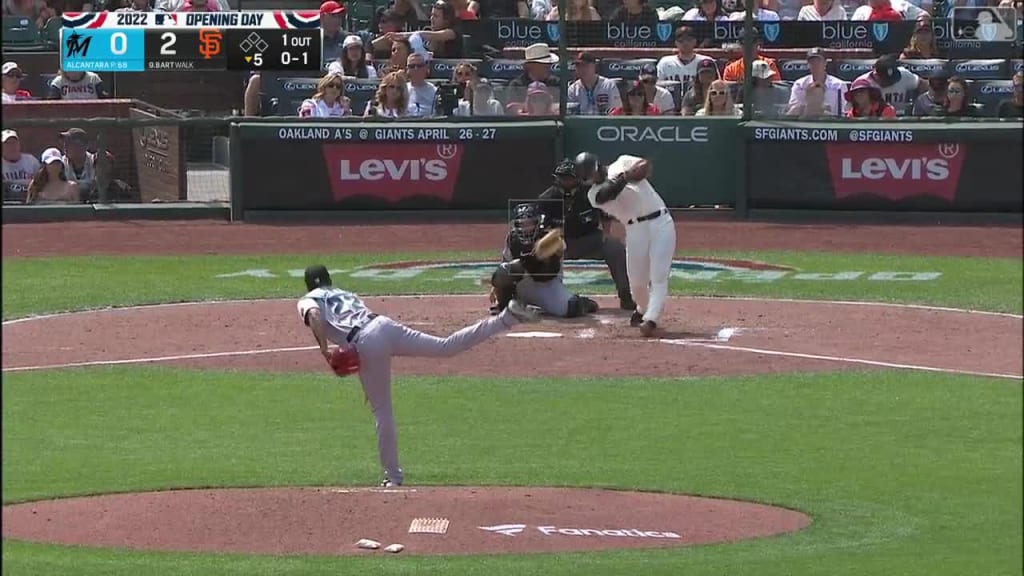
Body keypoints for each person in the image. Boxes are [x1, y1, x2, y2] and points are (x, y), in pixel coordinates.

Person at [296, 265, 538, 488]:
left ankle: (393, 477)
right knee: (445, 346)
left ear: (308, 285)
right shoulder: (344, 292)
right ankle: (506, 318)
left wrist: (325, 350)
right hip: (383, 325)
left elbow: (315, 315)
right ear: (329, 279)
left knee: (382, 410)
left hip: (365, 341)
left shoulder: (307, 299)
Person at [584, 153, 676, 337]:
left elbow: (645, 166)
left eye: (592, 173)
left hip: (661, 222)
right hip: (635, 230)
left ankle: (651, 319)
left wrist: (634, 170)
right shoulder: (593, 194)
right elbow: (607, 194)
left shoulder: (622, 162)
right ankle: (642, 308)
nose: (591, 179)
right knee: (637, 283)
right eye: (588, 178)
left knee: (658, 275)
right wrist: (626, 177)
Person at [538, 158, 634, 310]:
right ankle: (548, 298)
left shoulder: (591, 192)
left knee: (615, 248)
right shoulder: (546, 198)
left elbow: (605, 213)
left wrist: (606, 233)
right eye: (563, 178)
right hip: (560, 242)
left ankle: (625, 295)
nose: (566, 181)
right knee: (539, 253)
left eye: (569, 177)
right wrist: (552, 239)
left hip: (589, 239)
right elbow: (541, 227)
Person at [489, 203, 600, 318]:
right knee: (503, 272)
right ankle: (505, 305)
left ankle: (583, 303)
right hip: (522, 284)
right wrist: (497, 287)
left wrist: (533, 260)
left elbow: (547, 274)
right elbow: (505, 264)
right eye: (521, 224)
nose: (525, 228)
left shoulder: (551, 240)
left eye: (529, 223)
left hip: (547, 286)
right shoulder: (512, 239)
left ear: (538, 223)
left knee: (571, 307)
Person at [854, 54, 927, 113]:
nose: (890, 82)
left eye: (891, 79)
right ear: (876, 74)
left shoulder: (904, 74)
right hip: (875, 121)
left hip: (901, 119)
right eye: (885, 79)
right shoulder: (862, 84)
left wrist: (921, 103)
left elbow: (924, 85)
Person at [787, 48, 846, 117]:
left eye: (818, 61)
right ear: (808, 65)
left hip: (832, 124)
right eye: (812, 62)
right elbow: (792, 112)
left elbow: (843, 114)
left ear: (825, 63)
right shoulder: (799, 84)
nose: (815, 65)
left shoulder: (839, 85)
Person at [656, 27, 714, 96]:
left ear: (695, 41)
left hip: (697, 102)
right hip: (670, 103)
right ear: (676, 43)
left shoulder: (706, 61)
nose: (685, 43)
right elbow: (657, 86)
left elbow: (717, 85)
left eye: (689, 40)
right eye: (681, 41)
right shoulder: (665, 62)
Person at [2, 129, 40, 202]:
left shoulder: (31, 161)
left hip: (30, 201)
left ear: (19, 144)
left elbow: (42, 182)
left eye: (14, 143)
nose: (11, 147)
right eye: (8, 144)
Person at [405, 52, 438, 117]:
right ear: (407, 69)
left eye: (419, 66)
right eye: (412, 66)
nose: (416, 69)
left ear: (425, 68)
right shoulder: (401, 90)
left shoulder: (434, 91)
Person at [320, 0, 348, 67]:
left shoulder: (347, 38)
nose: (338, 19)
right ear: (322, 17)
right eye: (333, 15)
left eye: (339, 16)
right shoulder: (312, 39)